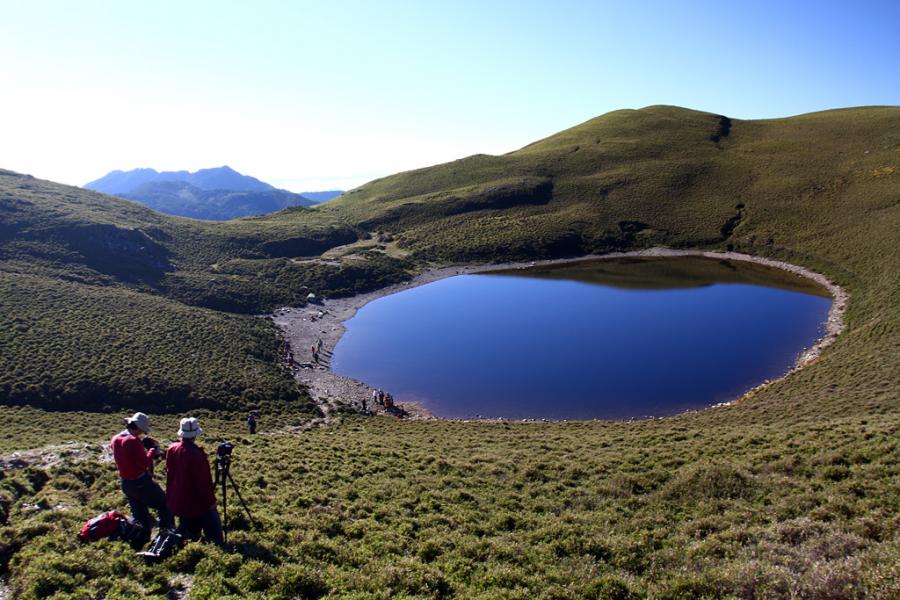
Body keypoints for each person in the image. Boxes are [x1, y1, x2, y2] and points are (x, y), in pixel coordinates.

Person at [111, 412, 174, 533]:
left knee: (139, 515)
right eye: (142, 430)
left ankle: (138, 538)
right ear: (139, 427)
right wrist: (152, 450)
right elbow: (144, 463)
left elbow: (128, 457)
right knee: (165, 504)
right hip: (140, 482)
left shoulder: (116, 438)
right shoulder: (133, 441)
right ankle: (167, 534)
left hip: (126, 482)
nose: (142, 433)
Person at [165, 417, 223, 545]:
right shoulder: (197, 454)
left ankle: (189, 544)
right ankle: (217, 546)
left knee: (188, 528)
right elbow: (203, 483)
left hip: (178, 500)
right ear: (196, 434)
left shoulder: (172, 449)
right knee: (214, 526)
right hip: (196, 503)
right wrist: (211, 502)